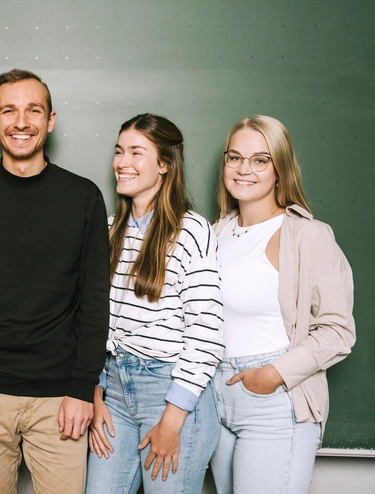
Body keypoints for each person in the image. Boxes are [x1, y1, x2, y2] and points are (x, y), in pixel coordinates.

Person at [0, 68, 110, 494]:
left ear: (50, 120)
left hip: (60, 397)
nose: (21, 122)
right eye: (8, 110)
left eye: (33, 110)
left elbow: (94, 303)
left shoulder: (83, 197)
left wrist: (82, 388)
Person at [209, 115, 355, 494]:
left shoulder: (307, 235)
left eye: (260, 160)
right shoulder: (216, 232)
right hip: (214, 399)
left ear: (280, 169)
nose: (244, 170)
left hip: (272, 401)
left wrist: (272, 374)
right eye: (235, 157)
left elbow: (338, 331)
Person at [85, 114, 223, 494]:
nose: (121, 162)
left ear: (164, 165)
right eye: (118, 151)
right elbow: (94, 320)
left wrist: (173, 419)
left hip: (169, 393)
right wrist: (95, 392)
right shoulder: (108, 228)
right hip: (113, 389)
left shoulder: (192, 230)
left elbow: (206, 333)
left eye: (136, 152)